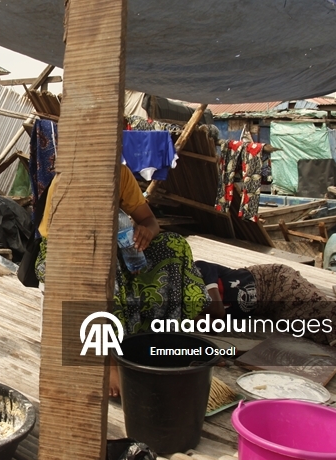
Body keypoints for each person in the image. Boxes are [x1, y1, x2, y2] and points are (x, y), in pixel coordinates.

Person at [34, 163, 208, 399]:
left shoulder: (121, 174)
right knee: (105, 266)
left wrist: (145, 232)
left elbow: (149, 221)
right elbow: (65, 237)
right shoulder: (68, 178)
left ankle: (161, 336)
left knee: (174, 246)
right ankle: (110, 360)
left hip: (114, 242)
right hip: (65, 249)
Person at [195, 261, 336, 346]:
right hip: (269, 309)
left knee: (320, 307)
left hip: (273, 281)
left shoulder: (200, 268)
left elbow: (218, 310)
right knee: (312, 326)